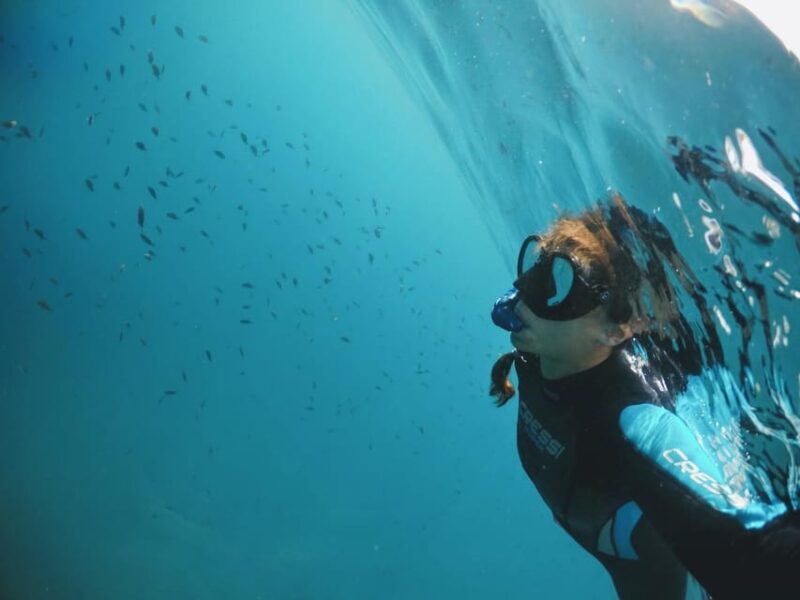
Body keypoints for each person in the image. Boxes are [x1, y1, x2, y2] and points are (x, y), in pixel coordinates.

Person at [489, 193, 800, 599]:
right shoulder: (539, 348)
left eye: (558, 282)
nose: (523, 290)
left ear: (615, 331)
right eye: (536, 265)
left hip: (644, 566)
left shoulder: (632, 423)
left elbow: (745, 556)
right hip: (600, 531)